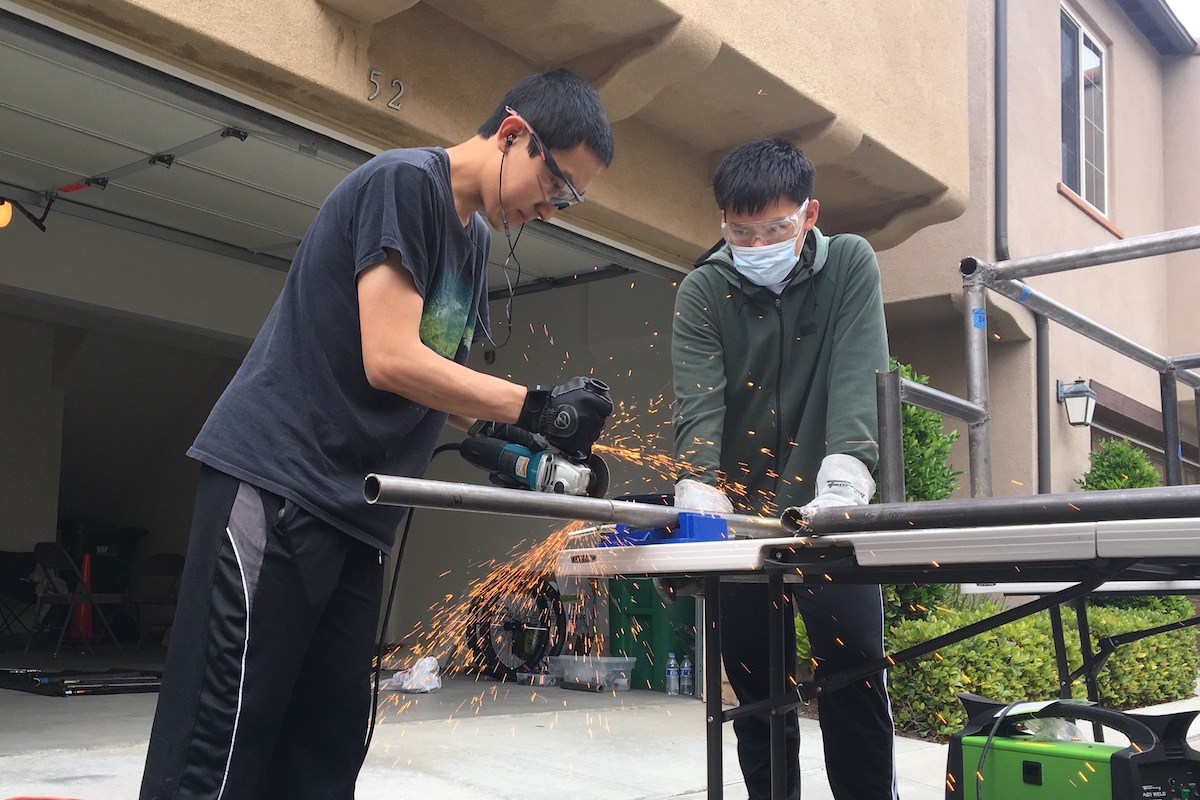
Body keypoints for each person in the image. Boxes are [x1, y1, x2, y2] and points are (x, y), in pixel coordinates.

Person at [139, 69, 614, 800]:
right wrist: (537, 404)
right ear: (515, 135)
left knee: (324, 746)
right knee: (226, 735)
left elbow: (441, 383)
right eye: (559, 187)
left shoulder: (472, 242)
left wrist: (535, 450)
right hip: (279, 486)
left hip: (358, 517)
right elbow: (390, 357)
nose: (553, 209)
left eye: (568, 199)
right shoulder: (406, 184)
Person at [670, 138, 897, 800]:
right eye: (742, 231)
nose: (758, 242)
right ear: (723, 225)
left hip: (830, 511)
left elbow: (859, 371)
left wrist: (847, 475)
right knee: (755, 696)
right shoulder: (703, 291)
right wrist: (698, 487)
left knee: (853, 676)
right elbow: (698, 404)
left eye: (775, 228)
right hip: (742, 523)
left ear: (809, 214)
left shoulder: (850, 264)